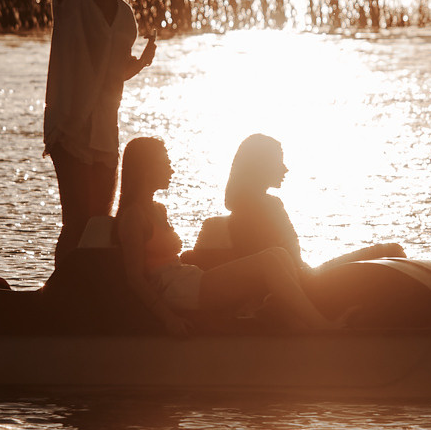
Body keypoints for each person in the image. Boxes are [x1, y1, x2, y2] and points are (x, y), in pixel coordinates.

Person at [39, 0, 156, 269]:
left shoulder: (124, 16)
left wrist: (141, 64)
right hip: (69, 126)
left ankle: (88, 288)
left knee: (99, 223)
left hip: (105, 131)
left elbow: (115, 73)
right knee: (76, 221)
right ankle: (60, 290)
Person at [112, 137, 335, 333]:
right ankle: (321, 327)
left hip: (187, 280)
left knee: (278, 254)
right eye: (166, 164)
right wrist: (168, 319)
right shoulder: (134, 217)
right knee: (269, 261)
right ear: (146, 169)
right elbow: (135, 278)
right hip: (175, 291)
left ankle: (299, 322)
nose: (171, 171)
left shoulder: (158, 209)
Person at [195, 133, 403, 271]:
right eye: (278, 162)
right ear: (260, 166)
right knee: (391, 250)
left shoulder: (247, 207)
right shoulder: (266, 207)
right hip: (308, 283)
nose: (285, 169)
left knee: (388, 252)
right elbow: (290, 268)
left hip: (305, 277)